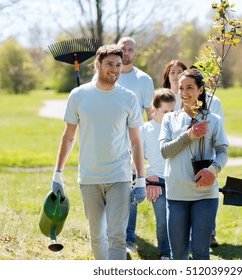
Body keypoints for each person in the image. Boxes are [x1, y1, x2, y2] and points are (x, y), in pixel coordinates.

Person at [51, 44, 146, 260]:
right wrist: (57, 174)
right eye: (110, 64)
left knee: (117, 236)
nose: (114, 69)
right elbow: (68, 137)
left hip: (119, 177)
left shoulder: (129, 98)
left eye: (118, 65)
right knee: (96, 235)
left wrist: (141, 179)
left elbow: (136, 141)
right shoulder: (78, 95)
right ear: (97, 65)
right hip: (89, 177)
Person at [159, 68, 229, 260]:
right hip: (176, 194)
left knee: (200, 253)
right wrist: (189, 135)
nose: (184, 92)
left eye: (190, 87)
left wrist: (212, 170)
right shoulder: (169, 119)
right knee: (179, 255)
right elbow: (165, 151)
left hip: (205, 194)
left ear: (200, 90)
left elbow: (223, 151)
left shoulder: (213, 120)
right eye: (181, 88)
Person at [115, 37, 155, 253]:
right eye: (123, 49)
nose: (127, 53)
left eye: (131, 50)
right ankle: (108, 233)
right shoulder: (108, 74)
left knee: (131, 191)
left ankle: (129, 238)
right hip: (109, 142)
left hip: (132, 144)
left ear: (135, 53)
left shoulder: (143, 80)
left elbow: (150, 114)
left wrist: (148, 145)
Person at [141, 88, 176, 260]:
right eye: (165, 112)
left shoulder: (178, 128)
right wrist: (146, 180)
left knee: (178, 221)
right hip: (156, 181)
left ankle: (181, 251)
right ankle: (165, 253)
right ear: (154, 109)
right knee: (163, 221)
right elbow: (138, 157)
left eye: (172, 111)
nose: (169, 115)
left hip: (176, 180)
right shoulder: (146, 129)